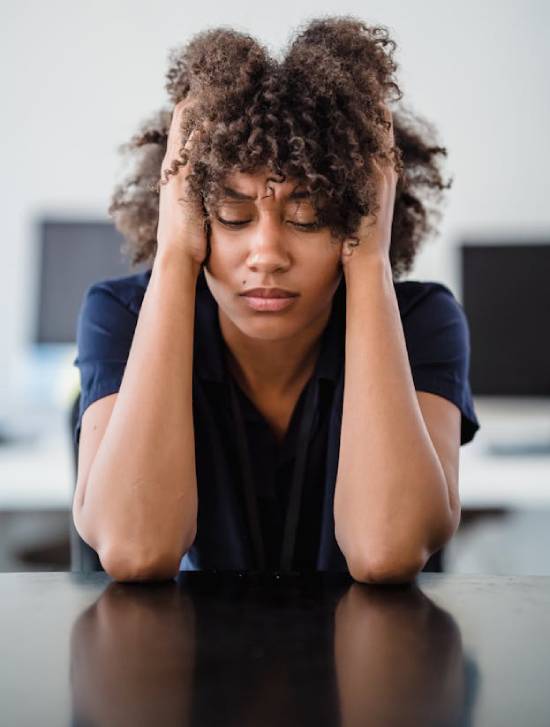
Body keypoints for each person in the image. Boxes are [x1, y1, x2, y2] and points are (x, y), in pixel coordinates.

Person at [72, 16, 480, 584]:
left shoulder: (420, 323)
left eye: (308, 218)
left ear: (358, 217)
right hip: (181, 668)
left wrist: (368, 263)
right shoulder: (123, 316)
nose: (266, 253)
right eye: (233, 215)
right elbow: (136, 550)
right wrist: (173, 256)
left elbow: (387, 548)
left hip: (370, 670)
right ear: (190, 216)